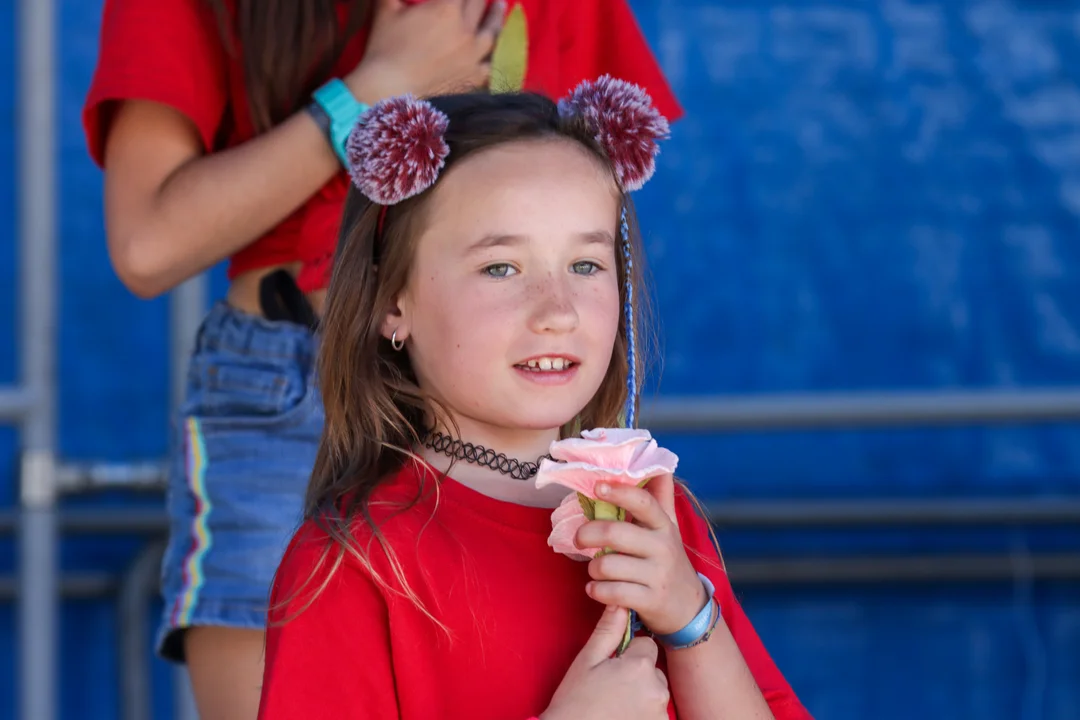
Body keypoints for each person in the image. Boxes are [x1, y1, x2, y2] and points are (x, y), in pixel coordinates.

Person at [82, 0, 680, 717]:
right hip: (285, 383)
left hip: (513, 410)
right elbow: (147, 246)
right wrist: (373, 89)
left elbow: (581, 195)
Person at [258, 79, 811, 719]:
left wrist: (690, 620)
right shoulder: (352, 565)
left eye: (585, 265)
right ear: (391, 302)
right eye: (501, 268)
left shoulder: (654, 515)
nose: (558, 312)